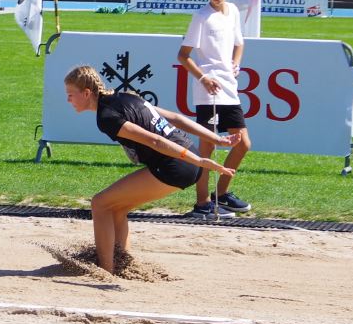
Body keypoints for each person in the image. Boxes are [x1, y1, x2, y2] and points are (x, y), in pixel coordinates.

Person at [61, 64, 232, 273]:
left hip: (178, 164)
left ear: (87, 93)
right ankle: (123, 266)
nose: (68, 100)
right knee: (117, 208)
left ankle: (105, 272)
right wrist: (216, 139)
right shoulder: (126, 96)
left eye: (70, 95)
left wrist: (199, 160)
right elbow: (175, 118)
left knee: (100, 204)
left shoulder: (106, 117)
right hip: (186, 158)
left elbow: (155, 141)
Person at [178, 0, 253, 217]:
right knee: (207, 147)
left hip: (229, 88)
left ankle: (221, 194)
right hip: (208, 91)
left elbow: (239, 43)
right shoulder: (201, 17)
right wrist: (203, 78)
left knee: (242, 143)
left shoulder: (233, 12)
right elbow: (183, 55)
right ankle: (202, 203)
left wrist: (236, 63)